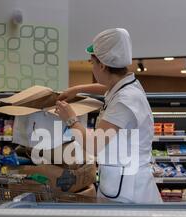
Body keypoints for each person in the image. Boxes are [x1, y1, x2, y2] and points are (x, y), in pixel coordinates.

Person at [55, 28, 162, 204]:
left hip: (126, 191)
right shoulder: (128, 85)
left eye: (92, 63)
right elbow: (108, 87)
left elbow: (94, 145)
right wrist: (77, 89)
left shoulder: (124, 101)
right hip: (125, 180)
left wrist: (71, 119)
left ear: (102, 65)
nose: (93, 68)